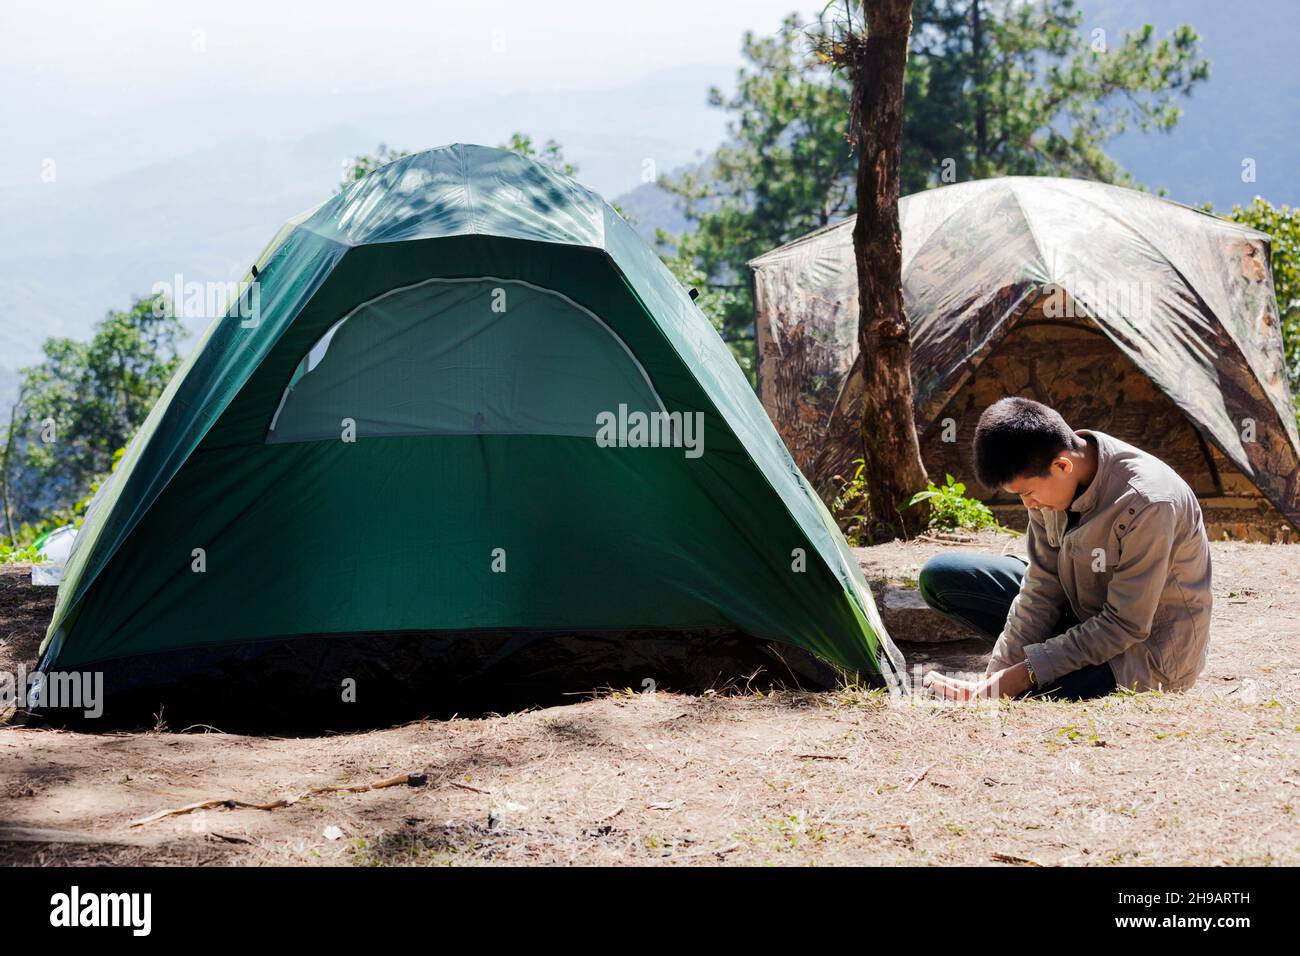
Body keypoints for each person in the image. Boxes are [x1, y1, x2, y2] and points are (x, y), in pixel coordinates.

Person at [920, 397, 1212, 701]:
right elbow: (1042, 585)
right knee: (942, 577)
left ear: (1062, 465)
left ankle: (1049, 669)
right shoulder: (1053, 479)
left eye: (1028, 493)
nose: (1028, 504)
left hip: (1140, 650)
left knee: (1031, 696)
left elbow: (1125, 624)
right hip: (1082, 613)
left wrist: (1024, 674)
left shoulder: (1149, 502)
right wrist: (996, 676)